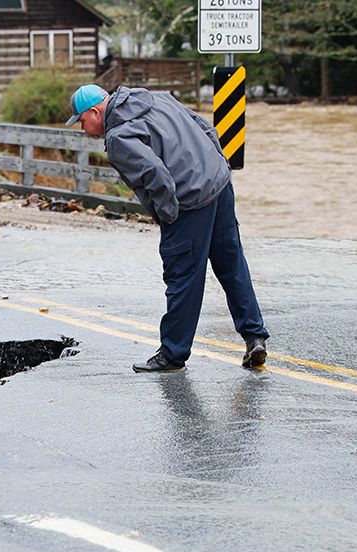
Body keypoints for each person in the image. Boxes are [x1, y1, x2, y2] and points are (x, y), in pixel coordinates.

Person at [66, 84, 269, 373]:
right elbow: (204, 127)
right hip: (218, 183)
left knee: (182, 277)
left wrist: (168, 214)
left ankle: (172, 355)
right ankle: (255, 336)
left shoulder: (119, 137)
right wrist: (219, 164)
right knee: (231, 263)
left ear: (95, 112)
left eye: (82, 122)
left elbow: (155, 175)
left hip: (188, 202)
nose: (83, 129)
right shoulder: (156, 98)